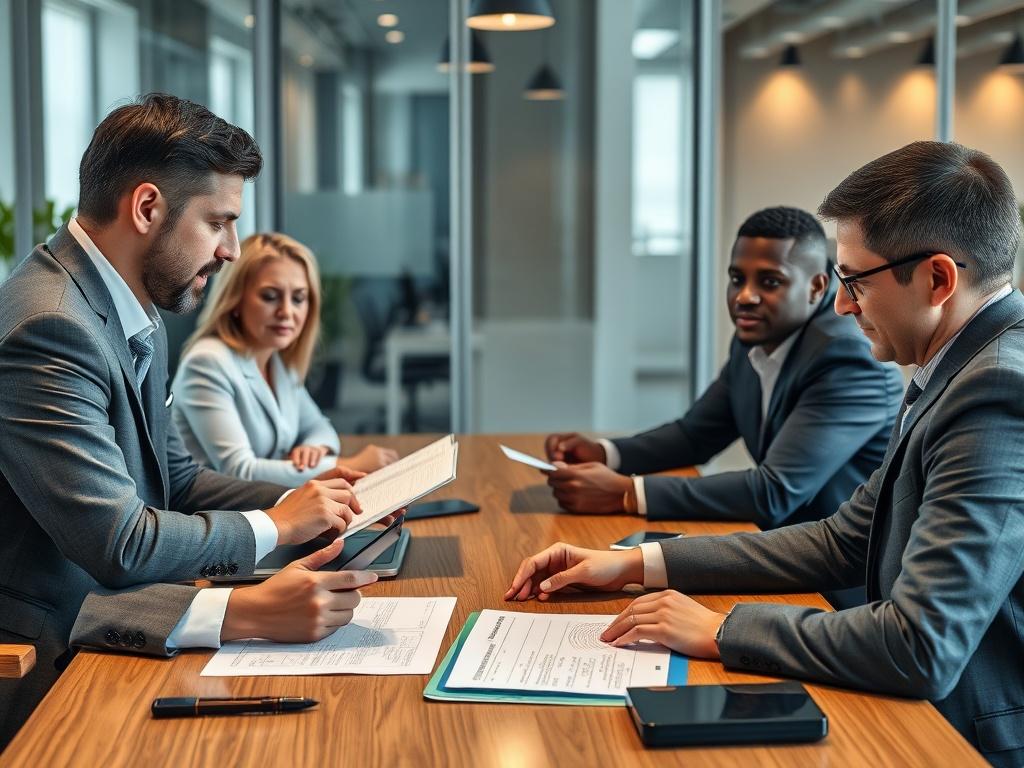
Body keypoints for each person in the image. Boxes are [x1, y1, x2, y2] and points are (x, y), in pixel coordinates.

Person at [506, 141, 1024, 766]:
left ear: (937, 279)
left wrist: (722, 630)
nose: (840, 305)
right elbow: (844, 539)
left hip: (962, 736)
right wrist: (636, 563)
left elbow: (922, 645)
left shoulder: (996, 390)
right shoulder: (961, 365)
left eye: (854, 280)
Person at [0, 94, 382, 746]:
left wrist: (311, 499)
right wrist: (265, 545)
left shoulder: (132, 307)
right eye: (219, 222)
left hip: (125, 605)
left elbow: (176, 480)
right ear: (148, 208)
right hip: (56, 653)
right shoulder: (52, 325)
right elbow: (119, 546)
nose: (233, 250)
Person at [544, 207, 902, 531]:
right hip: (781, 546)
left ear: (815, 287)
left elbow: (774, 492)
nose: (744, 296)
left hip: (841, 582)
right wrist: (605, 453)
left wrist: (626, 493)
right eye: (736, 278)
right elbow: (695, 435)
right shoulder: (756, 337)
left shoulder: (848, 357)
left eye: (769, 281)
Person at [172, 231, 398, 486]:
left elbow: (319, 426)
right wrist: (347, 465)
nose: (287, 312)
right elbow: (240, 471)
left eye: (299, 298)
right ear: (235, 300)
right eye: (270, 296)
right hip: (219, 519)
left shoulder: (275, 359)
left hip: (273, 509)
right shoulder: (207, 363)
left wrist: (313, 448)